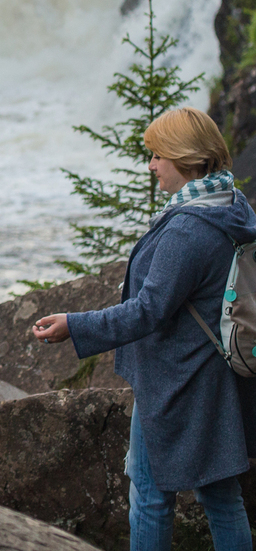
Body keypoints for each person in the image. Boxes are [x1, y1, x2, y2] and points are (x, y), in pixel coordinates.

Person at [33, 106, 256, 551]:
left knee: (156, 498)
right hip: (205, 374)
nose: (151, 166)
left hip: (178, 384)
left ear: (184, 157)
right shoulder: (230, 202)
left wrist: (73, 326)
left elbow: (147, 311)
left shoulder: (189, 229)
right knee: (217, 495)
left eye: (157, 156)